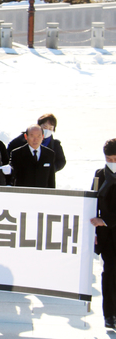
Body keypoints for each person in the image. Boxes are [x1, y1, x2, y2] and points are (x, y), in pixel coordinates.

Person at [90, 138, 116, 329]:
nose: (112, 162)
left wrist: (107, 220)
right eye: (108, 158)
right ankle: (110, 315)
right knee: (110, 273)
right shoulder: (100, 174)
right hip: (107, 236)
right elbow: (92, 201)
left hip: (110, 225)